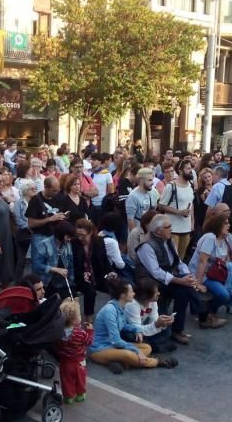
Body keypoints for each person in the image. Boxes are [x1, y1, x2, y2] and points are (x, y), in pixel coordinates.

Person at [136, 213, 219, 342]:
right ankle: (203, 315)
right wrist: (181, 280)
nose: (171, 229)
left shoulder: (168, 241)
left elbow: (178, 262)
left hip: (169, 279)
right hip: (151, 283)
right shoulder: (146, 246)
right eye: (168, 227)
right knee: (184, 287)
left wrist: (188, 276)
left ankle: (179, 330)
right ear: (158, 231)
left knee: (183, 291)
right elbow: (156, 272)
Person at [87, 278, 173, 373]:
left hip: (112, 347)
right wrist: (137, 351)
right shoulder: (109, 310)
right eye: (131, 292)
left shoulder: (120, 307)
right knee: (128, 354)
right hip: (99, 349)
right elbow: (116, 341)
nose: (134, 294)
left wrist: (136, 330)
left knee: (147, 347)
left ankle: (123, 363)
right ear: (123, 295)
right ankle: (156, 362)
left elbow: (124, 325)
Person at [56, 299, 94, 404]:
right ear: (74, 320)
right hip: (78, 361)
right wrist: (90, 331)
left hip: (64, 362)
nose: (81, 317)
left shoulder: (58, 331)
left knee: (66, 380)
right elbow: (89, 341)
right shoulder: (80, 333)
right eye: (79, 316)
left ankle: (68, 397)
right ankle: (80, 395)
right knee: (80, 378)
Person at [158, 158, 195, 257]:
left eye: (190, 168)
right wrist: (179, 212)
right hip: (173, 228)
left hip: (186, 228)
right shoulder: (171, 186)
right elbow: (161, 205)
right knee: (173, 256)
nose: (190, 171)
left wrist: (192, 222)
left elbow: (191, 204)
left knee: (181, 257)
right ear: (180, 171)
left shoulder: (190, 185)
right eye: (187, 169)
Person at [125, 167, 159, 232]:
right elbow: (130, 220)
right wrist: (136, 235)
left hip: (152, 231)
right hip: (139, 231)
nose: (152, 183)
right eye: (149, 180)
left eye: (152, 180)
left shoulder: (154, 191)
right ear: (141, 181)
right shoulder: (132, 196)